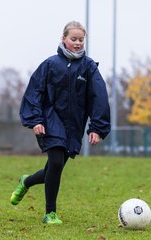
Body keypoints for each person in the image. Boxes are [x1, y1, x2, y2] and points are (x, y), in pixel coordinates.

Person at [10, 21, 110, 224]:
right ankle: (50, 213)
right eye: (73, 39)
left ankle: (26, 181)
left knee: (53, 169)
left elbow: (98, 98)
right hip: (50, 121)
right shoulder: (50, 64)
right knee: (55, 163)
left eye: (81, 39)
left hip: (73, 126)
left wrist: (97, 128)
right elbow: (34, 93)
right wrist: (36, 120)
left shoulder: (89, 67)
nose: (77, 43)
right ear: (63, 39)